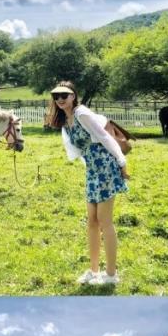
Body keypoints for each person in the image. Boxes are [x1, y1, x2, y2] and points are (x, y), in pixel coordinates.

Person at [46, 81, 129, 286]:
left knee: (105, 221)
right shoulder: (65, 121)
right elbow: (78, 151)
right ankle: (94, 271)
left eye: (64, 95)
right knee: (92, 221)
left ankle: (111, 275)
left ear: (73, 96)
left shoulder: (81, 113)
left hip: (105, 165)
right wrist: (90, 168)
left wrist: (121, 162)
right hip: (92, 169)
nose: (60, 99)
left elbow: (104, 137)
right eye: (56, 96)